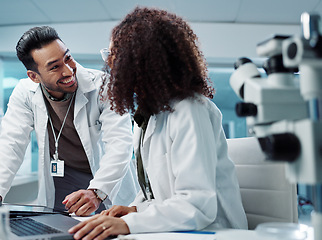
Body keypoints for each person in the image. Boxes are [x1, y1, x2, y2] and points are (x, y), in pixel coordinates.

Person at [69, 7, 248, 239]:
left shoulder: (191, 110)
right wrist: (135, 209)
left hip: (215, 232)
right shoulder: (150, 115)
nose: (110, 65)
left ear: (143, 62)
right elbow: (160, 196)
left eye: (115, 56)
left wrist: (130, 223)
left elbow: (197, 205)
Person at [0, 26, 138, 216]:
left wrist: (97, 191)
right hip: (62, 183)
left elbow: (121, 143)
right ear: (34, 76)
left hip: (106, 180)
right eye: (55, 67)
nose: (69, 71)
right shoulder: (24, 93)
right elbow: (11, 144)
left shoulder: (103, 85)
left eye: (67, 58)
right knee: (58, 230)